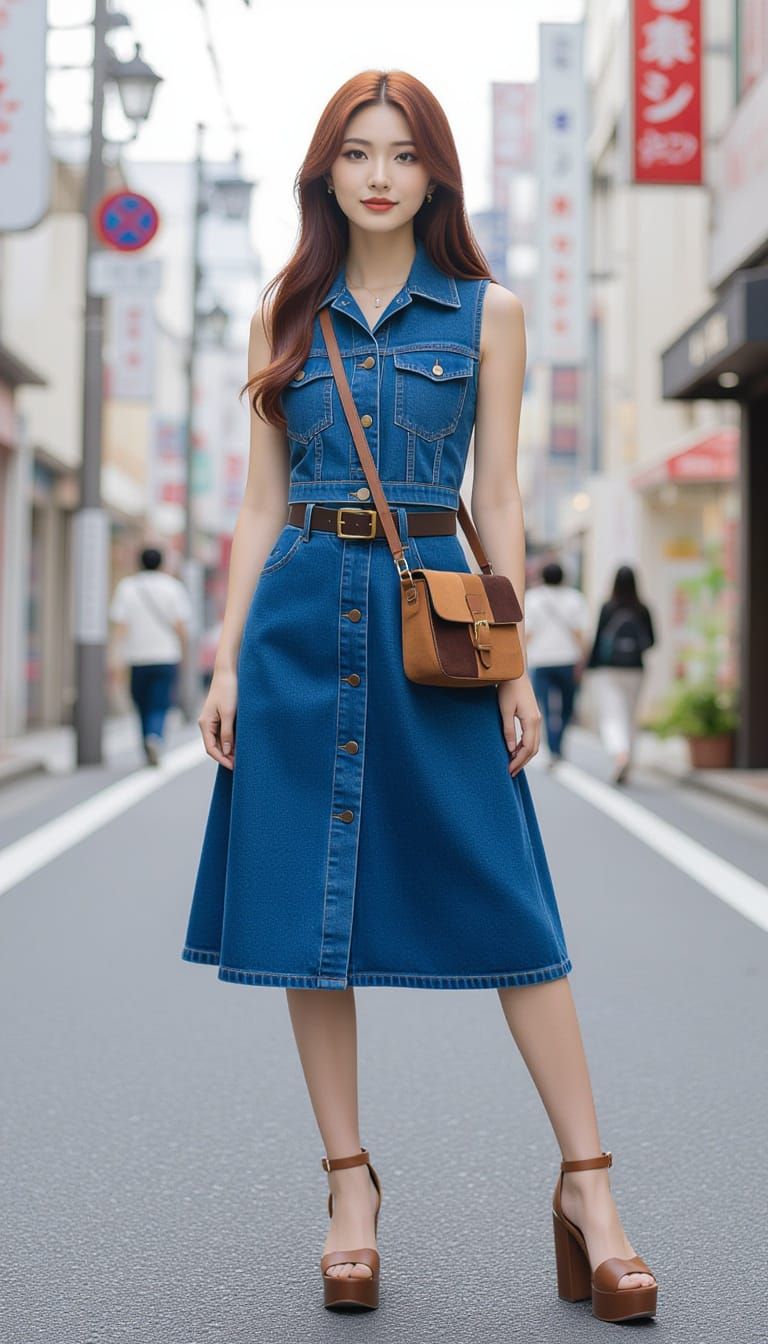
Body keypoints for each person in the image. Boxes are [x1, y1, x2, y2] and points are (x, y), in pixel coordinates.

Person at [180, 73, 657, 1322]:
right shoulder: (285, 309)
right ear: (324, 172)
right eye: (356, 152)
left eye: (403, 154)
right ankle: (350, 1190)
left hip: (429, 620)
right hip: (294, 618)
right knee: (304, 907)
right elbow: (255, 503)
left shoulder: (488, 313)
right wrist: (226, 660)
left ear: (438, 175)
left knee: (507, 890)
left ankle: (590, 1188)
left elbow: (493, 495)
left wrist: (510, 660)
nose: (379, 173)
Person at [109, 546, 192, 766]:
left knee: (141, 703)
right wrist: (183, 653)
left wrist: (115, 657)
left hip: (136, 657)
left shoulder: (127, 587)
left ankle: (147, 742)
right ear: (162, 563)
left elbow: (120, 627)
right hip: (166, 656)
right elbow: (181, 626)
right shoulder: (173, 587)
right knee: (160, 702)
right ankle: (155, 736)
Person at [586, 564, 656, 786]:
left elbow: (598, 640)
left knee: (611, 715)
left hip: (609, 668)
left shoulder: (608, 607)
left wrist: (590, 665)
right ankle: (628, 764)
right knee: (630, 716)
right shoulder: (642, 608)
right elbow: (652, 641)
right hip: (636, 669)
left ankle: (619, 754)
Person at [525, 561, 590, 765]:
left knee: (544, 705)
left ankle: (553, 747)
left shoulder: (533, 598)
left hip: (540, 660)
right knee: (566, 708)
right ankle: (557, 746)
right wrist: (583, 659)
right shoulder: (575, 599)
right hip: (567, 660)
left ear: (543, 577)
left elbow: (527, 634)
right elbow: (580, 633)